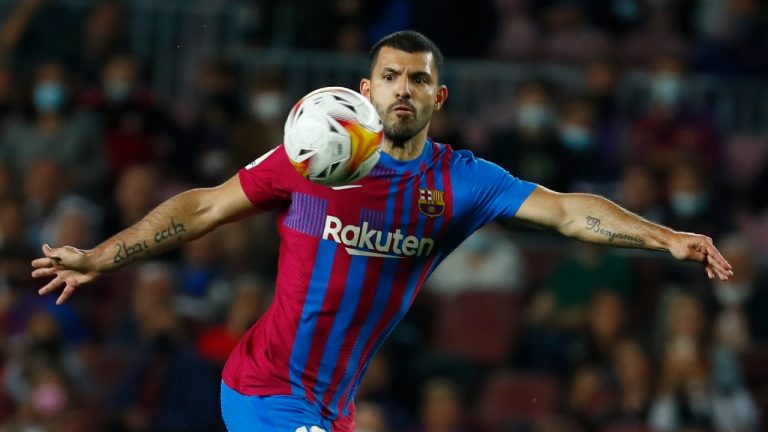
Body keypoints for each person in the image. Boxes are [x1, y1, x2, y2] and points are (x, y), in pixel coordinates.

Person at [30, 30, 733, 431]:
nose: (403, 88)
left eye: (418, 80)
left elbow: (569, 208)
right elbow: (202, 208)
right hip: (263, 389)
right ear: (365, 90)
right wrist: (100, 257)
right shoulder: (310, 157)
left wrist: (665, 237)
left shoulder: (461, 181)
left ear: (438, 97)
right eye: (390, 76)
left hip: (331, 406)